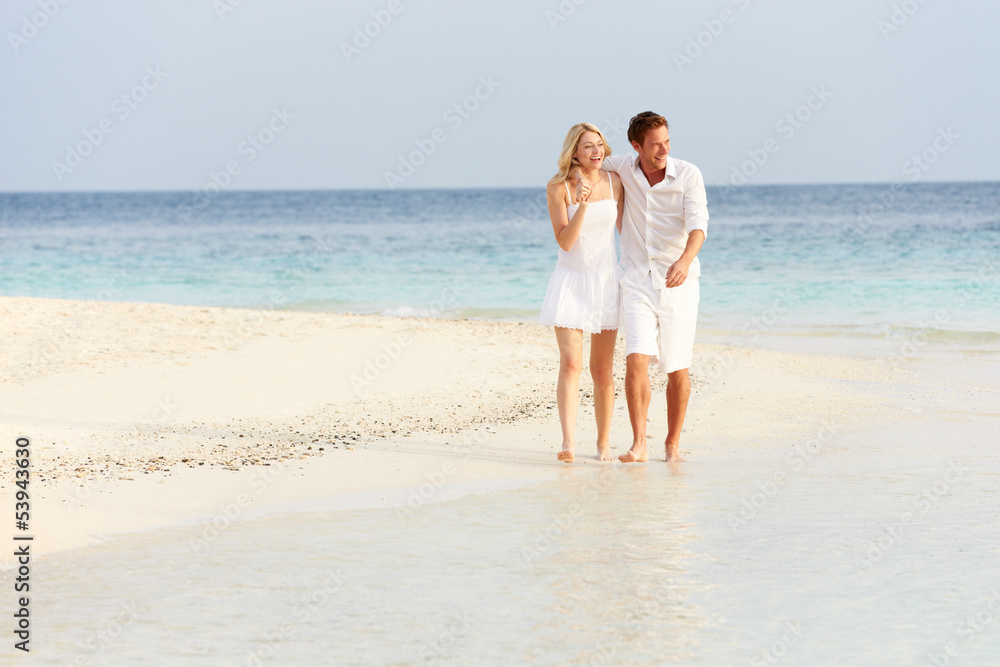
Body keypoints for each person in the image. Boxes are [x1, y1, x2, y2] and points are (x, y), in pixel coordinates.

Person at [576, 111, 707, 462]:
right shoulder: (622, 167)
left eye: (666, 142)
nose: (663, 150)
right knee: (636, 360)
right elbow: (590, 162)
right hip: (635, 281)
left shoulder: (689, 175)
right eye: (654, 145)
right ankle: (639, 443)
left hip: (679, 283)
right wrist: (577, 175)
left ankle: (672, 444)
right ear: (636, 146)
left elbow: (698, 228)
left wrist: (683, 261)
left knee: (677, 366)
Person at [539, 123, 625, 463]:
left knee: (602, 368)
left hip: (606, 282)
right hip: (571, 282)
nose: (596, 151)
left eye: (599, 144)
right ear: (574, 151)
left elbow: (627, 230)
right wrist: (584, 204)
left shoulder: (614, 181)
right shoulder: (558, 187)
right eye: (588, 146)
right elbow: (565, 241)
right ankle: (568, 443)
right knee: (571, 363)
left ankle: (604, 444)